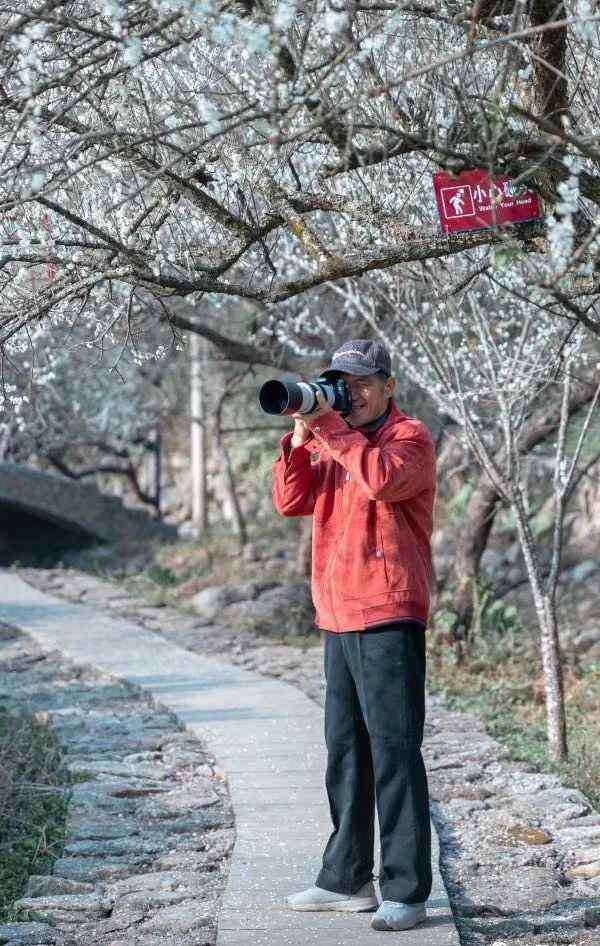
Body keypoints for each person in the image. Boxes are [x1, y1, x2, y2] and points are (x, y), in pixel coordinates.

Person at [271, 339, 437, 932]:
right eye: (343, 381)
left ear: (388, 385)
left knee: (394, 750)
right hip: (338, 613)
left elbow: (383, 483)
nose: (353, 391)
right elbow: (291, 501)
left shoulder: (408, 438)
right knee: (345, 751)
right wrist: (299, 436)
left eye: (364, 381)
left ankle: (406, 890)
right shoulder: (334, 440)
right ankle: (346, 880)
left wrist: (329, 427)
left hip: (388, 611)